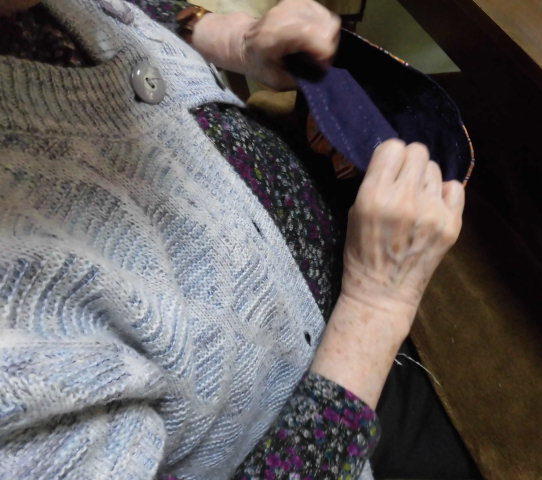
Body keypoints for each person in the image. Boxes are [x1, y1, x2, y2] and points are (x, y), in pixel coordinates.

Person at [0, 0, 465, 478]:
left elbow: (124, 11)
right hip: (344, 399)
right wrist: (376, 310)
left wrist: (218, 34)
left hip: (360, 240)